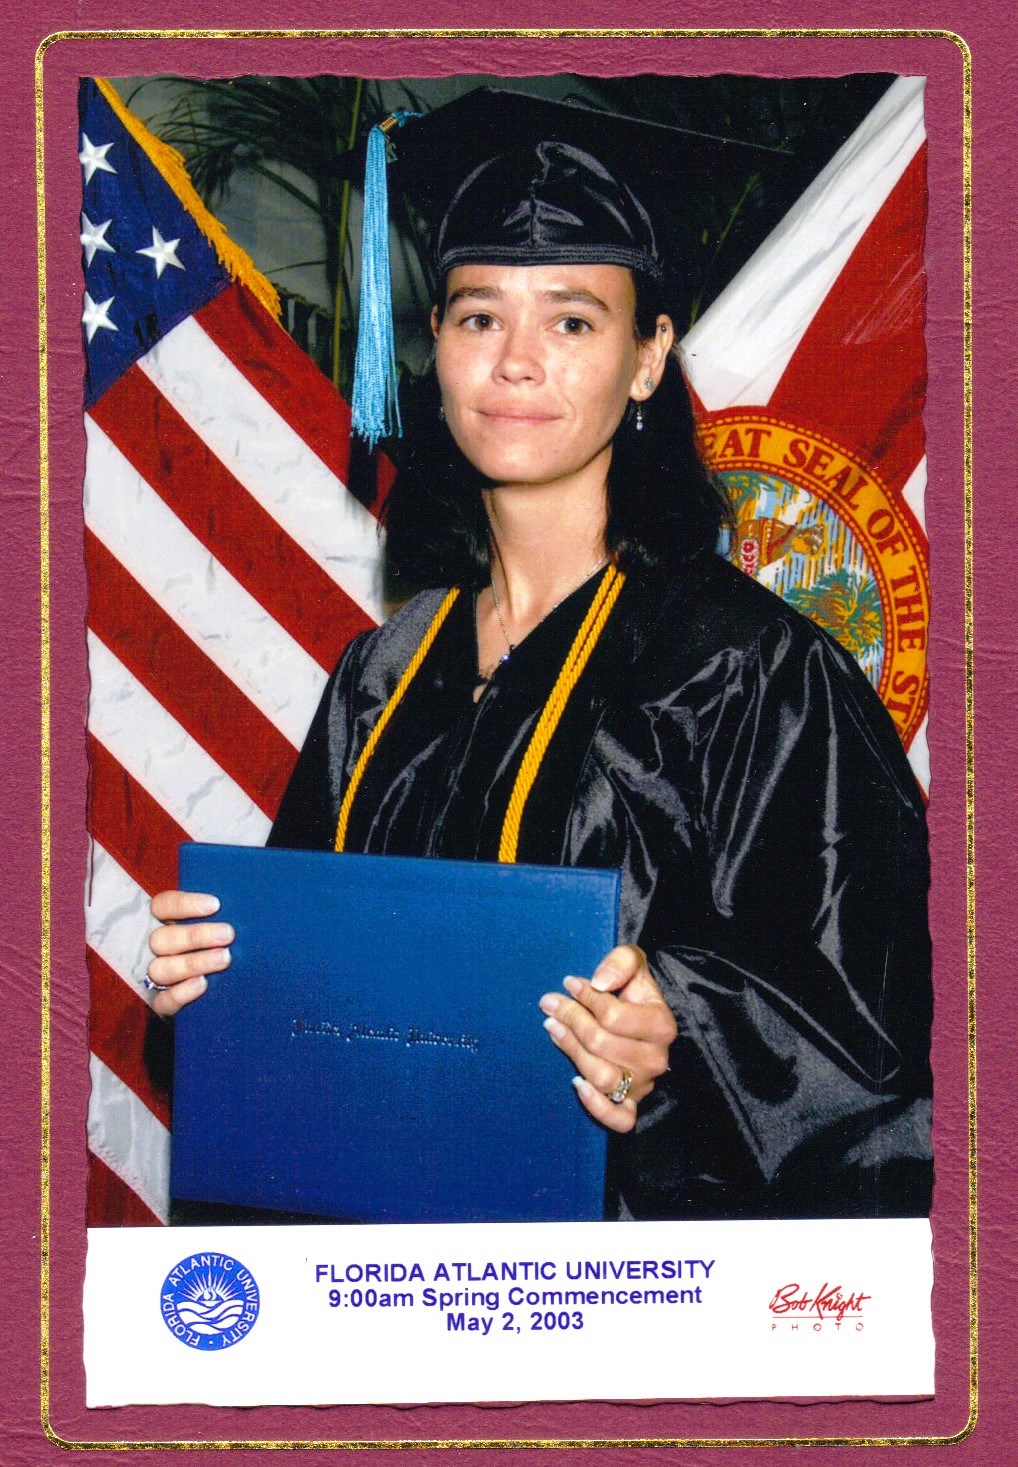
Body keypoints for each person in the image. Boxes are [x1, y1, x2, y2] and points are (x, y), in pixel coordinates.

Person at [146, 90, 933, 1221]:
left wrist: (684, 1026)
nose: (516, 362)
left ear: (649, 357)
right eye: (479, 317)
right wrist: (220, 991)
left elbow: (882, 1027)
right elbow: (318, 1018)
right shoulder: (381, 676)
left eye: (572, 323)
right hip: (378, 1279)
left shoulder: (751, 673)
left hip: (630, 1288)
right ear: (433, 346)